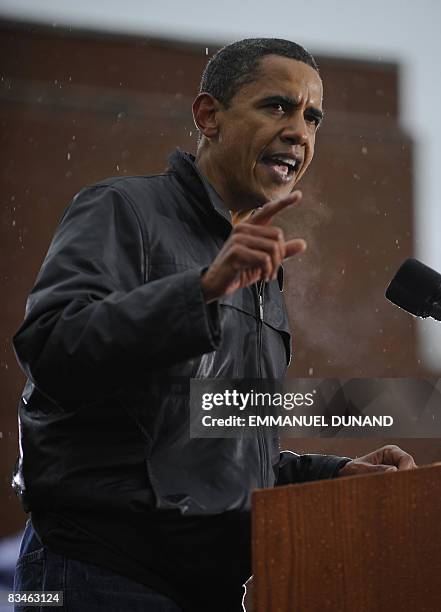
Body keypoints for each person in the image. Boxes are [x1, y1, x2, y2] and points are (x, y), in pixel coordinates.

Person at [12, 38, 416, 612]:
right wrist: (201, 289)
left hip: (211, 587)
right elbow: (51, 349)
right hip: (98, 567)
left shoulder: (259, 273)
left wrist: (335, 474)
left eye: (312, 116)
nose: (300, 131)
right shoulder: (123, 209)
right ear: (208, 115)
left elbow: (223, 447)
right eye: (277, 106)